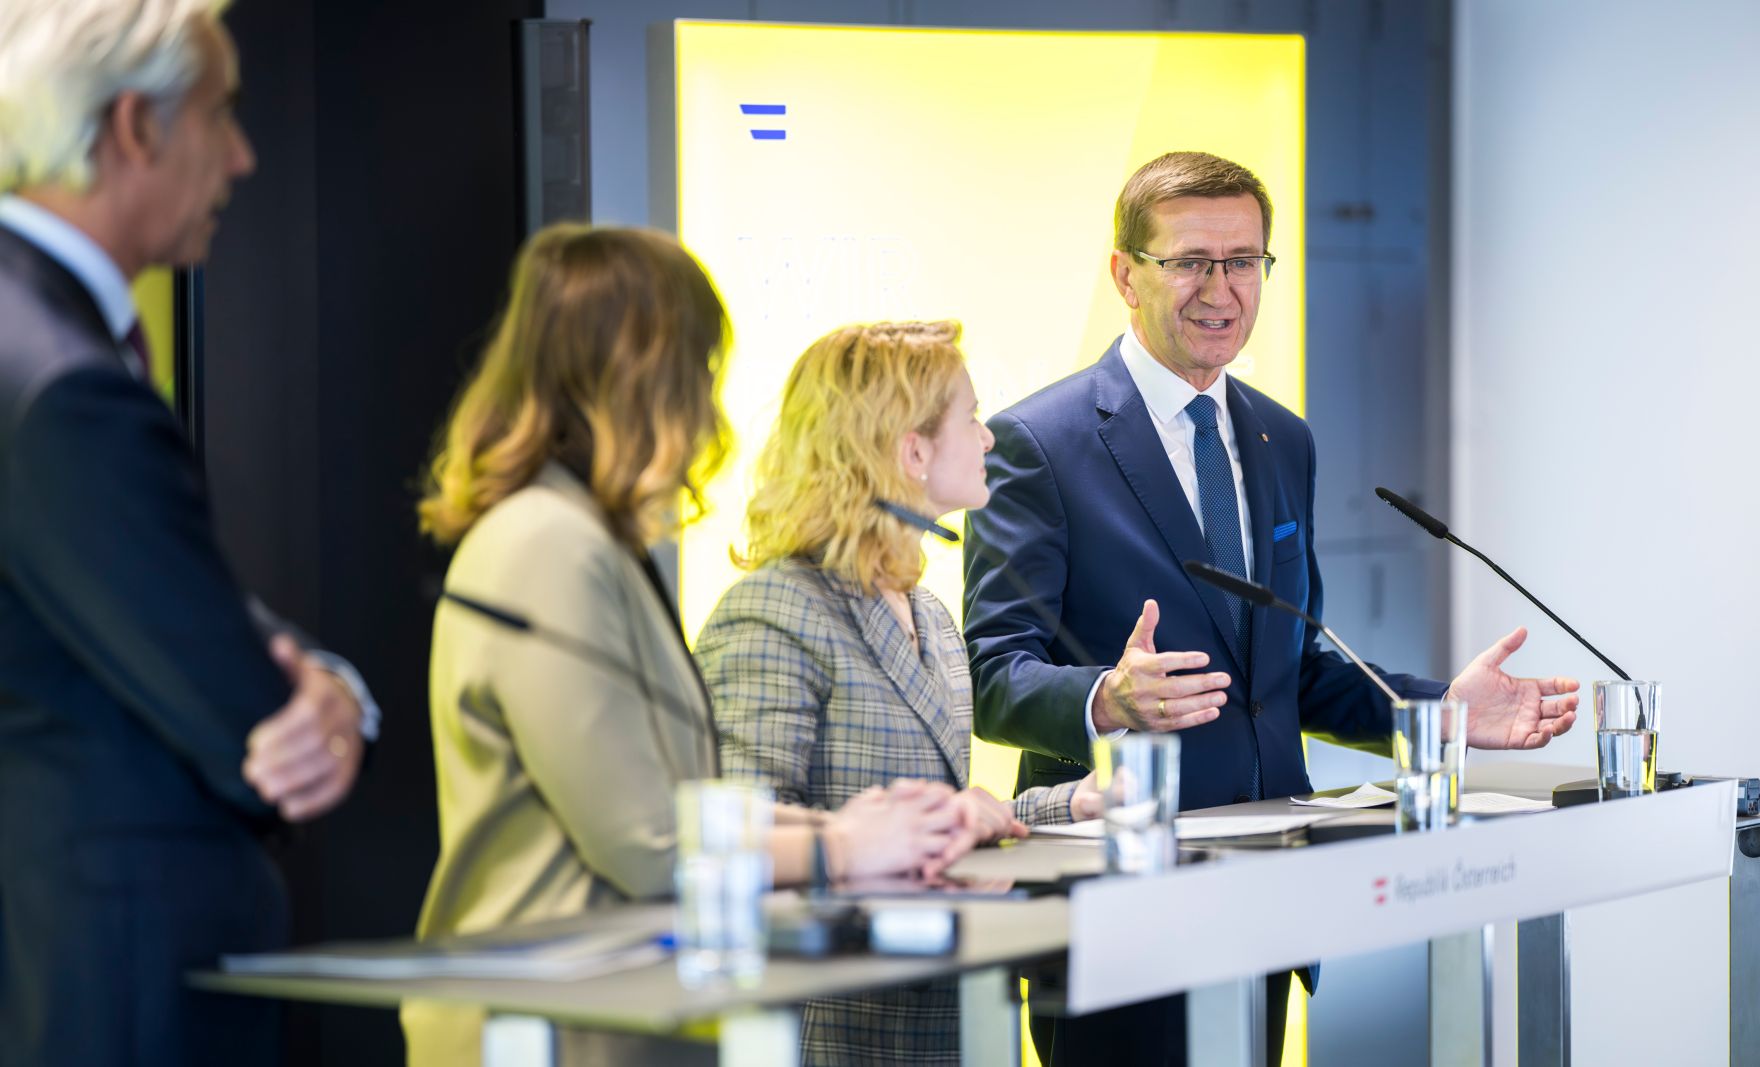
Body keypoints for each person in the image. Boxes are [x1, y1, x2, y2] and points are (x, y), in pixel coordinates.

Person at [962, 150, 1582, 1065]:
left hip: (1269, 902)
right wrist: (1105, 698)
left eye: (1244, 261)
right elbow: (989, 675)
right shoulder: (1036, 444)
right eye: (1191, 262)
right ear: (1124, 275)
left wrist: (1440, 711)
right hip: (1119, 903)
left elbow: (1294, 673)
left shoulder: (1279, 437)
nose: (1222, 289)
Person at [409, 227, 977, 1066]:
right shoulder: (547, 544)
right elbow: (647, 844)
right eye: (700, 374)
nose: (710, 412)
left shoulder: (587, 541)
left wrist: (865, 826)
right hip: (555, 1024)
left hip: (602, 1014)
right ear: (640, 378)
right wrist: (843, 846)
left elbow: (685, 799)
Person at [0, 3, 377, 1064]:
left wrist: (334, 692)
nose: (245, 156)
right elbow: (243, 715)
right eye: (222, 116)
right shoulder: (66, 381)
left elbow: (161, 596)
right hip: (112, 982)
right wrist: (321, 705)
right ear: (134, 128)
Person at [697, 320, 1104, 1064]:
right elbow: (732, 844)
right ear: (912, 450)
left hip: (957, 1018)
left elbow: (928, 821)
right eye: (972, 418)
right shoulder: (774, 611)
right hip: (842, 1033)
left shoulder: (929, 614)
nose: (988, 439)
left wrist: (1059, 807)